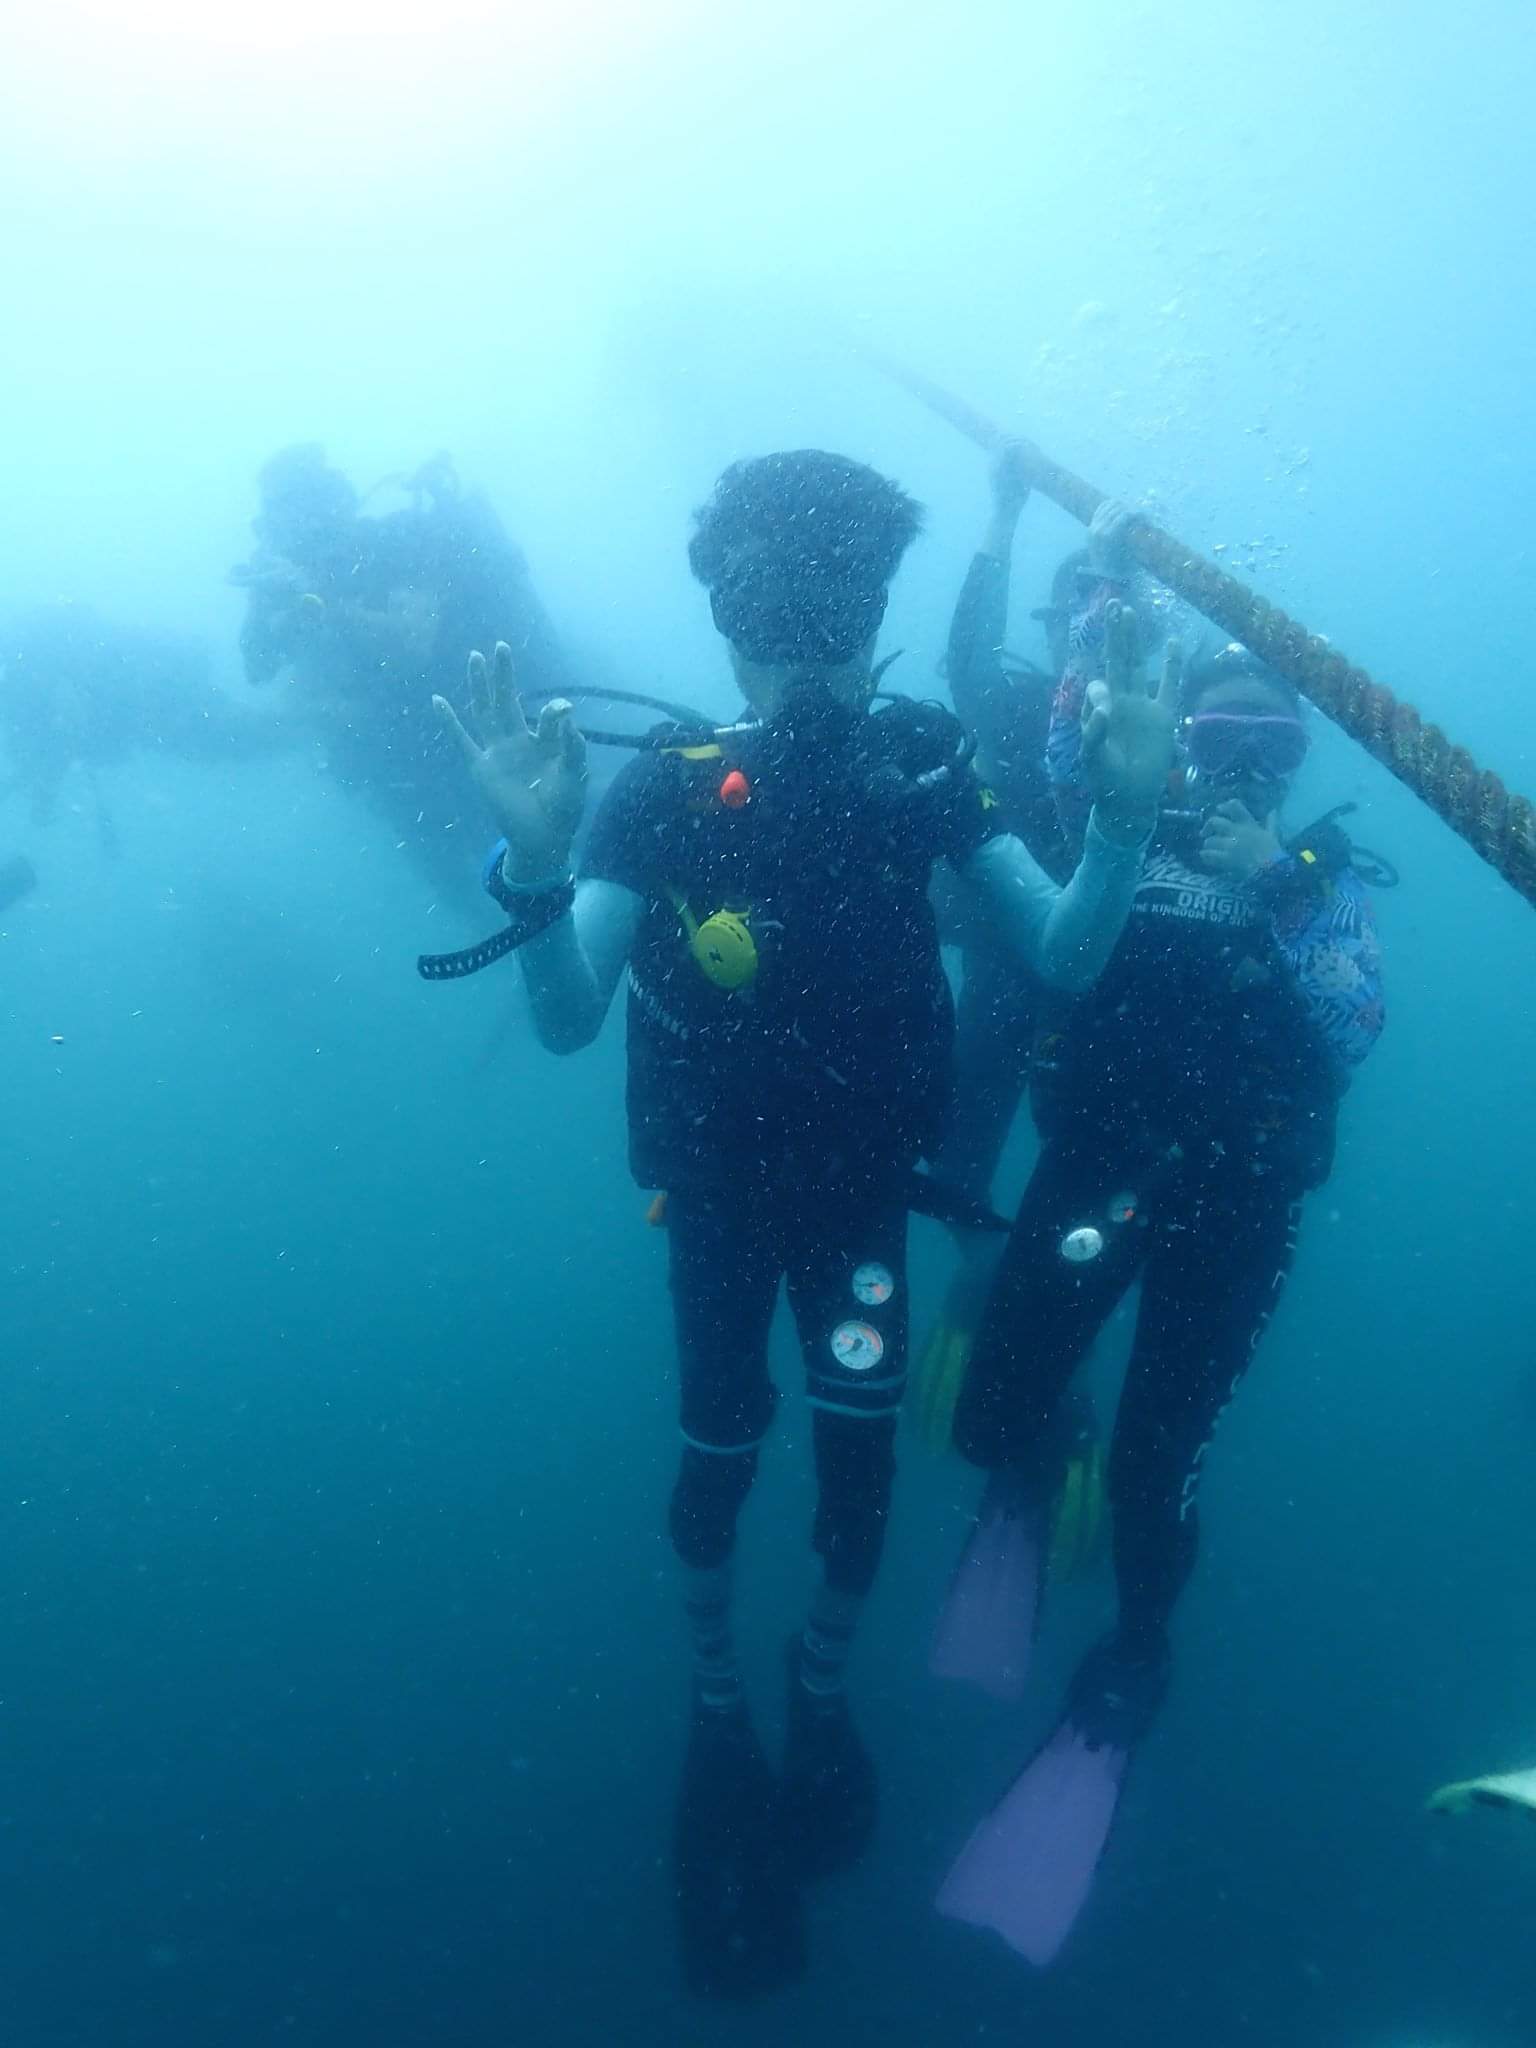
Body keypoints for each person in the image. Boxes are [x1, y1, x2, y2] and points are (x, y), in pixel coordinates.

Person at [433, 450, 1178, 1998]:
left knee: (850, 1469)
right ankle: (722, 1697)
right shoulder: (662, 790)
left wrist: (1123, 817)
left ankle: (811, 1686)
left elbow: (1064, 951)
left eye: (839, 620)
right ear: (734, 632)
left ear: (874, 622)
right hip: (720, 1202)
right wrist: (539, 866)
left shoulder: (921, 762)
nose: (817, 662)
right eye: (791, 625)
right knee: (719, 1455)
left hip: (850, 1200)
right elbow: (567, 1016)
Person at [932, 500, 1385, 1968]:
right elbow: (1079, 734)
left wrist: (1280, 882)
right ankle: (1031, 1449)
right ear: (1182, 737)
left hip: (1236, 1211)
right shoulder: (1121, 825)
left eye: (1273, 748)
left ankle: (1132, 1660)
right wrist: (1111, 598)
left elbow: (1356, 1027)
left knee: (1155, 1465)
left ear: (1297, 763)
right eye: (1222, 739)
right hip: (1100, 1166)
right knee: (989, 1410)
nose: (1245, 770)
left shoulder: (1319, 891)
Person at [230, 444, 571, 904]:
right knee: (465, 894)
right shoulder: (284, 580)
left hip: (474, 739)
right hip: (398, 771)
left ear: (333, 505)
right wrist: (268, 608)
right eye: (276, 519)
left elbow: (415, 643)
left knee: (548, 852)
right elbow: (257, 668)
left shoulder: (394, 543)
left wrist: (320, 600)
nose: (288, 531)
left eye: (296, 512)